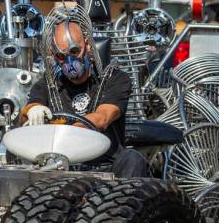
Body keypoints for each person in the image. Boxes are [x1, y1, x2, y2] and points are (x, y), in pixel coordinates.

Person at [19, 19, 149, 178]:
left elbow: (102, 118)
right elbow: (27, 111)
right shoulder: (47, 84)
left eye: (74, 52)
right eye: (61, 56)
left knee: (132, 158)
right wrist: (32, 110)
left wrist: (61, 130)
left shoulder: (115, 79)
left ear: (87, 45)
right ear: (53, 55)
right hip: (62, 168)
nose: (69, 61)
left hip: (106, 166)